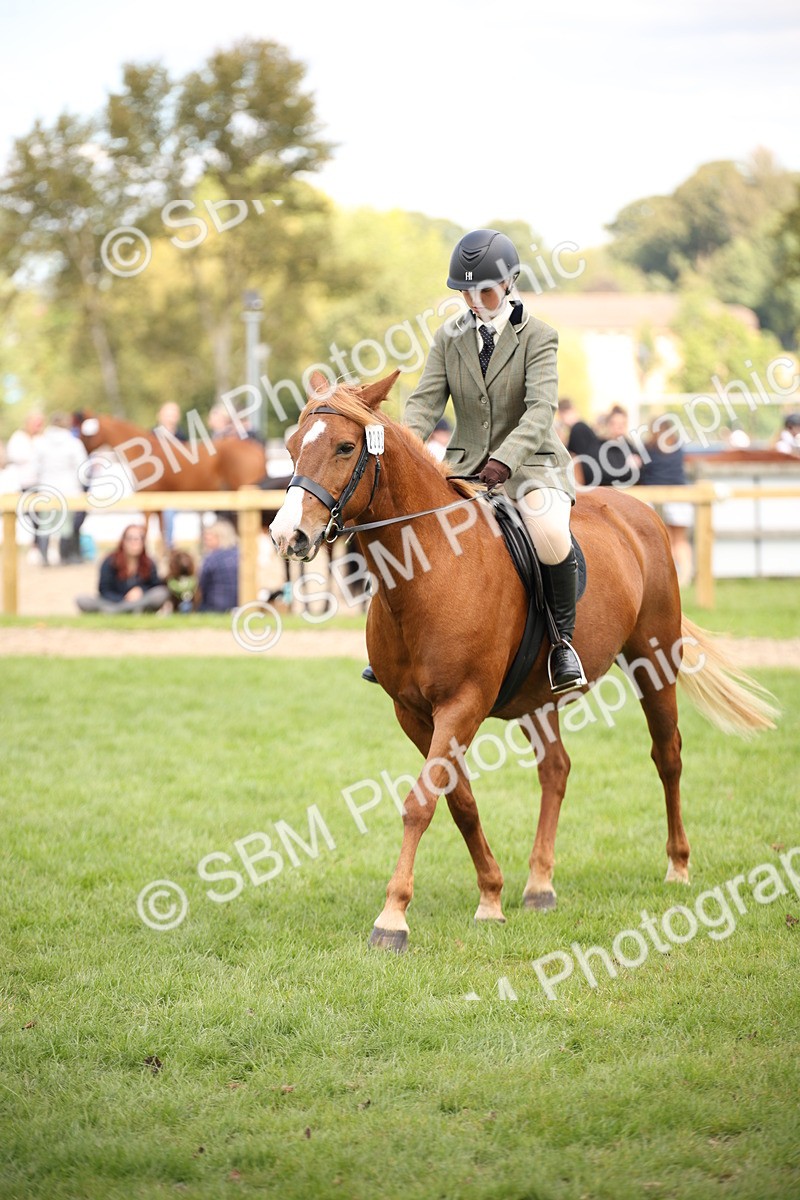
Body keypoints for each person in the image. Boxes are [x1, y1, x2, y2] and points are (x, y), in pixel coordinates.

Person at [365, 227, 586, 695]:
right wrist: (401, 451)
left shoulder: (540, 337)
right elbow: (425, 403)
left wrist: (505, 461)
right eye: (465, 291)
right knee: (408, 531)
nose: (474, 300)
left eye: (483, 289)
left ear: (508, 283)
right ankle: (396, 646)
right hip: (465, 469)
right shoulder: (450, 338)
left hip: (531, 467)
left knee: (548, 534)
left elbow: (541, 409)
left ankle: (563, 643)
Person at [639, 418, 693, 587]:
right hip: (680, 496)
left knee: (665, 540)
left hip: (656, 497)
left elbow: (644, 472)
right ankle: (685, 576)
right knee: (680, 540)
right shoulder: (677, 447)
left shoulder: (649, 448)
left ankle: (669, 578)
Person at [30, 412, 88, 564]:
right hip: (68, 489)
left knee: (45, 524)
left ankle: (44, 558)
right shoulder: (73, 442)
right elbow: (82, 467)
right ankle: (65, 557)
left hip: (46, 487)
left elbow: (34, 466)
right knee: (66, 525)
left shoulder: (40, 442)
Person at [76, 525, 169, 612]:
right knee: (83, 600)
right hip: (114, 602)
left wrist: (141, 591)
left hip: (140, 600)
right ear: (123, 541)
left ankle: (119, 611)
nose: (134, 542)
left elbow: (155, 586)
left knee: (161, 593)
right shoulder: (110, 561)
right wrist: (123, 599)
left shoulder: (149, 563)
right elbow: (104, 590)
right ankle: (127, 610)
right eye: (130, 539)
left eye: (138, 539)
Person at [152, 402, 187, 548]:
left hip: (175, 485)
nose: (170, 418)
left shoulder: (182, 436)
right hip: (156, 484)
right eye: (168, 414)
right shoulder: (151, 436)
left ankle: (168, 544)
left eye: (173, 414)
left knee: (169, 511)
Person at [556, 398, 607, 488]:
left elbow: (576, 459)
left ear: (562, 413)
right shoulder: (582, 427)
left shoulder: (577, 429)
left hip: (590, 479)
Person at [196, 520, 239, 612]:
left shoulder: (211, 558)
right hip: (240, 604)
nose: (206, 543)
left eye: (209, 539)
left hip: (214, 606)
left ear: (221, 537)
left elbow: (201, 584)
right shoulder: (241, 555)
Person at [598, 405, 641, 487]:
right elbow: (605, 475)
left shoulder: (631, 448)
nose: (619, 428)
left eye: (623, 424)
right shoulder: (598, 447)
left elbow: (640, 475)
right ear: (608, 425)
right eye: (616, 424)